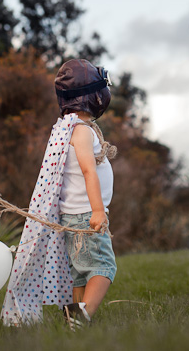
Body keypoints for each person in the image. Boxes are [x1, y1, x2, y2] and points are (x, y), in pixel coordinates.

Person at [55, 59, 118, 329]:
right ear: (93, 96)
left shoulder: (64, 128)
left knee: (80, 273)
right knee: (104, 267)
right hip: (84, 216)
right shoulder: (81, 132)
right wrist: (97, 210)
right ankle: (81, 320)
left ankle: (72, 322)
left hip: (71, 216)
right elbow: (88, 172)